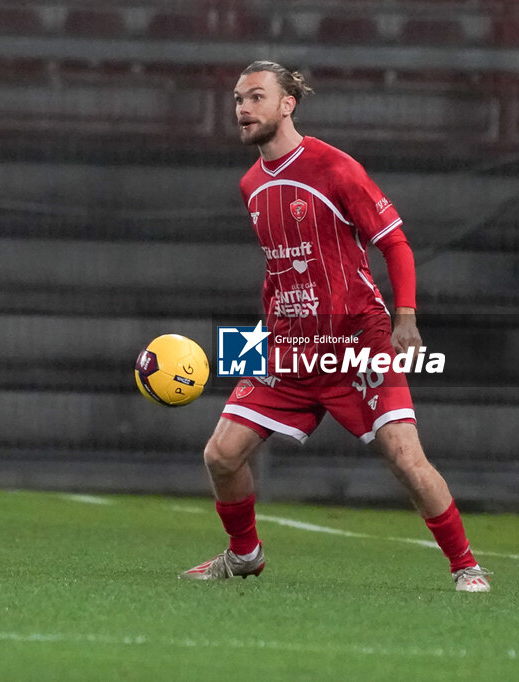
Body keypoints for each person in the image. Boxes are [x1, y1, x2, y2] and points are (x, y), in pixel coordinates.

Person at [179, 61, 491, 592]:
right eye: (237, 99)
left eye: (256, 97)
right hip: (289, 345)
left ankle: (467, 566)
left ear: (287, 104)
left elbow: (394, 241)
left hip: (357, 340)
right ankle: (244, 555)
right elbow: (281, 265)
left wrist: (406, 317)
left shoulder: (335, 168)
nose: (243, 108)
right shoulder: (251, 183)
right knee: (221, 454)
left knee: (404, 457)